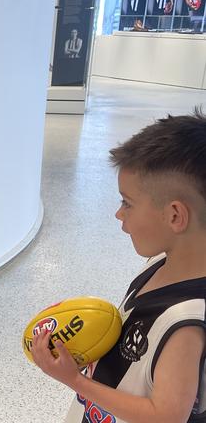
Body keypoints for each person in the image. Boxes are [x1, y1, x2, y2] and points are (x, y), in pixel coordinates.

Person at [31, 111, 206, 422]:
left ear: (175, 216)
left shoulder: (185, 324)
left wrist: (75, 380)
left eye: (127, 203)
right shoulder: (158, 264)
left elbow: (165, 416)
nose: (118, 214)